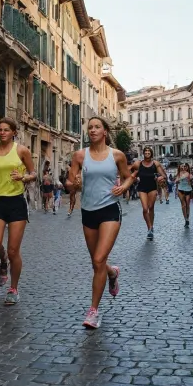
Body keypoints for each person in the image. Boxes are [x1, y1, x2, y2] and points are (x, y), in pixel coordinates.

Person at [66, 116, 133, 330]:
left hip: (110, 210)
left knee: (98, 258)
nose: (93, 130)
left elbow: (129, 176)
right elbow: (69, 182)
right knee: (97, 263)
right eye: (90, 128)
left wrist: (123, 187)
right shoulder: (79, 155)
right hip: (88, 212)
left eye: (97, 127)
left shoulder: (117, 155)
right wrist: (73, 184)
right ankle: (112, 273)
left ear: (105, 131)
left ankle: (93, 311)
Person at [0, 118, 37, 305]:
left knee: (14, 250)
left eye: (6, 130)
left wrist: (24, 177)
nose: (2, 132)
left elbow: (33, 173)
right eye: (0, 130)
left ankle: (13, 288)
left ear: (14, 132)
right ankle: (3, 260)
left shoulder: (21, 151)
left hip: (16, 202)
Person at [129, 147, 167, 241]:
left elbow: (164, 175)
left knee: (151, 207)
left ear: (151, 153)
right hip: (142, 188)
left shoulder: (155, 164)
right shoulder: (138, 163)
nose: (147, 153)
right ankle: (149, 228)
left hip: (152, 188)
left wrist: (160, 178)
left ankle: (151, 226)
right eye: (145, 151)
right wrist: (134, 177)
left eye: (148, 151)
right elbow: (129, 170)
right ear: (143, 153)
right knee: (145, 208)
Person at [174, 163, 193, 227]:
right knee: (183, 205)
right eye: (183, 166)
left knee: (187, 205)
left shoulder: (189, 174)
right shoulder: (179, 174)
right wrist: (178, 180)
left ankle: (187, 218)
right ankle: (186, 219)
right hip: (180, 190)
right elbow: (175, 181)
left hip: (188, 190)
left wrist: (192, 180)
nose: (184, 168)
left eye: (185, 167)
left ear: (187, 168)